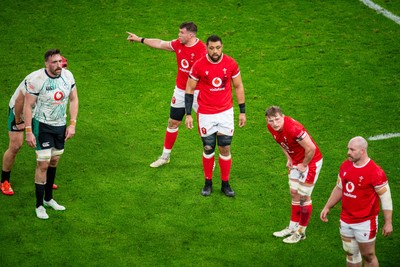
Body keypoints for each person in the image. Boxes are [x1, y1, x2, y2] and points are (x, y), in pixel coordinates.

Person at [126, 22, 206, 168]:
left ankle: (209, 159)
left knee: (205, 127)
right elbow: (160, 43)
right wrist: (140, 39)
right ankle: (165, 156)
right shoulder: (177, 44)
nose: (178, 35)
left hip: (199, 92)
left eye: (181, 32)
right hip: (181, 91)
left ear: (191, 35)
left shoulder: (203, 50)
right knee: (173, 122)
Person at [185, 35, 246, 197]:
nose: (215, 51)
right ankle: (208, 183)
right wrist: (188, 114)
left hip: (225, 113)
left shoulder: (231, 63)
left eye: (218, 48)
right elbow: (189, 89)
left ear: (222, 47)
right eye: (211, 48)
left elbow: (238, 86)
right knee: (208, 147)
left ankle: (225, 184)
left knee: (225, 147)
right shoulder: (198, 65)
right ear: (206, 48)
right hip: (206, 113)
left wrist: (242, 111)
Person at [320, 136, 393, 267]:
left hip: (365, 222)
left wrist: (388, 222)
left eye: (352, 150)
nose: (348, 152)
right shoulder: (345, 166)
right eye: (348, 148)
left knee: (368, 256)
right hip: (346, 220)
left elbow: (386, 198)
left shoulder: (375, 172)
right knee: (351, 255)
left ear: (362, 151)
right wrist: (327, 206)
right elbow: (339, 188)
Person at [1, 56, 68, 195]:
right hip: (20, 110)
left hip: (38, 113)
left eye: (63, 65)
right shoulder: (36, 80)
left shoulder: (63, 78)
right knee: (15, 145)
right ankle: (4, 181)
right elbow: (20, 101)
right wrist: (20, 121)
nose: (62, 68)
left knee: (49, 149)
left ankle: (46, 180)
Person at [24, 49, 78, 219]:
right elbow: (28, 106)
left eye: (59, 61)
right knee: (43, 164)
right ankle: (39, 205)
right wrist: (28, 131)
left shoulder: (68, 76)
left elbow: (74, 99)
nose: (58, 65)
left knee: (54, 160)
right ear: (46, 64)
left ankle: (49, 199)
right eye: (54, 62)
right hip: (42, 125)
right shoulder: (37, 80)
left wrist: (72, 124)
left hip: (60, 125)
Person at [265, 106, 323, 243]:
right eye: (271, 120)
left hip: (311, 162)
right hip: (296, 161)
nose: (275, 123)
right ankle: (292, 227)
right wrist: (289, 158)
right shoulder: (271, 128)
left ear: (283, 116)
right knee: (293, 192)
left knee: (303, 197)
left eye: (277, 119)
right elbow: (281, 143)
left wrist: (304, 164)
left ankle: (301, 232)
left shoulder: (294, 129)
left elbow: (311, 148)